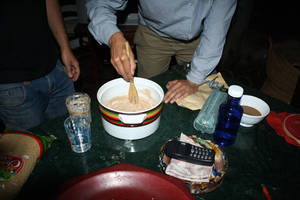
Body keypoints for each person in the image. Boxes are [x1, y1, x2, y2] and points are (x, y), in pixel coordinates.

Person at [86, 0, 237, 103]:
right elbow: (100, 3)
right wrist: (113, 38)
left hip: (200, 39)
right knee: (148, 92)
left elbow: (216, 29)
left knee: (203, 97)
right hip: (152, 35)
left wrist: (194, 80)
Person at [0, 0, 80, 131]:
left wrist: (65, 47)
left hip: (56, 69)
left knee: (69, 135)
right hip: (12, 85)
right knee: (32, 147)